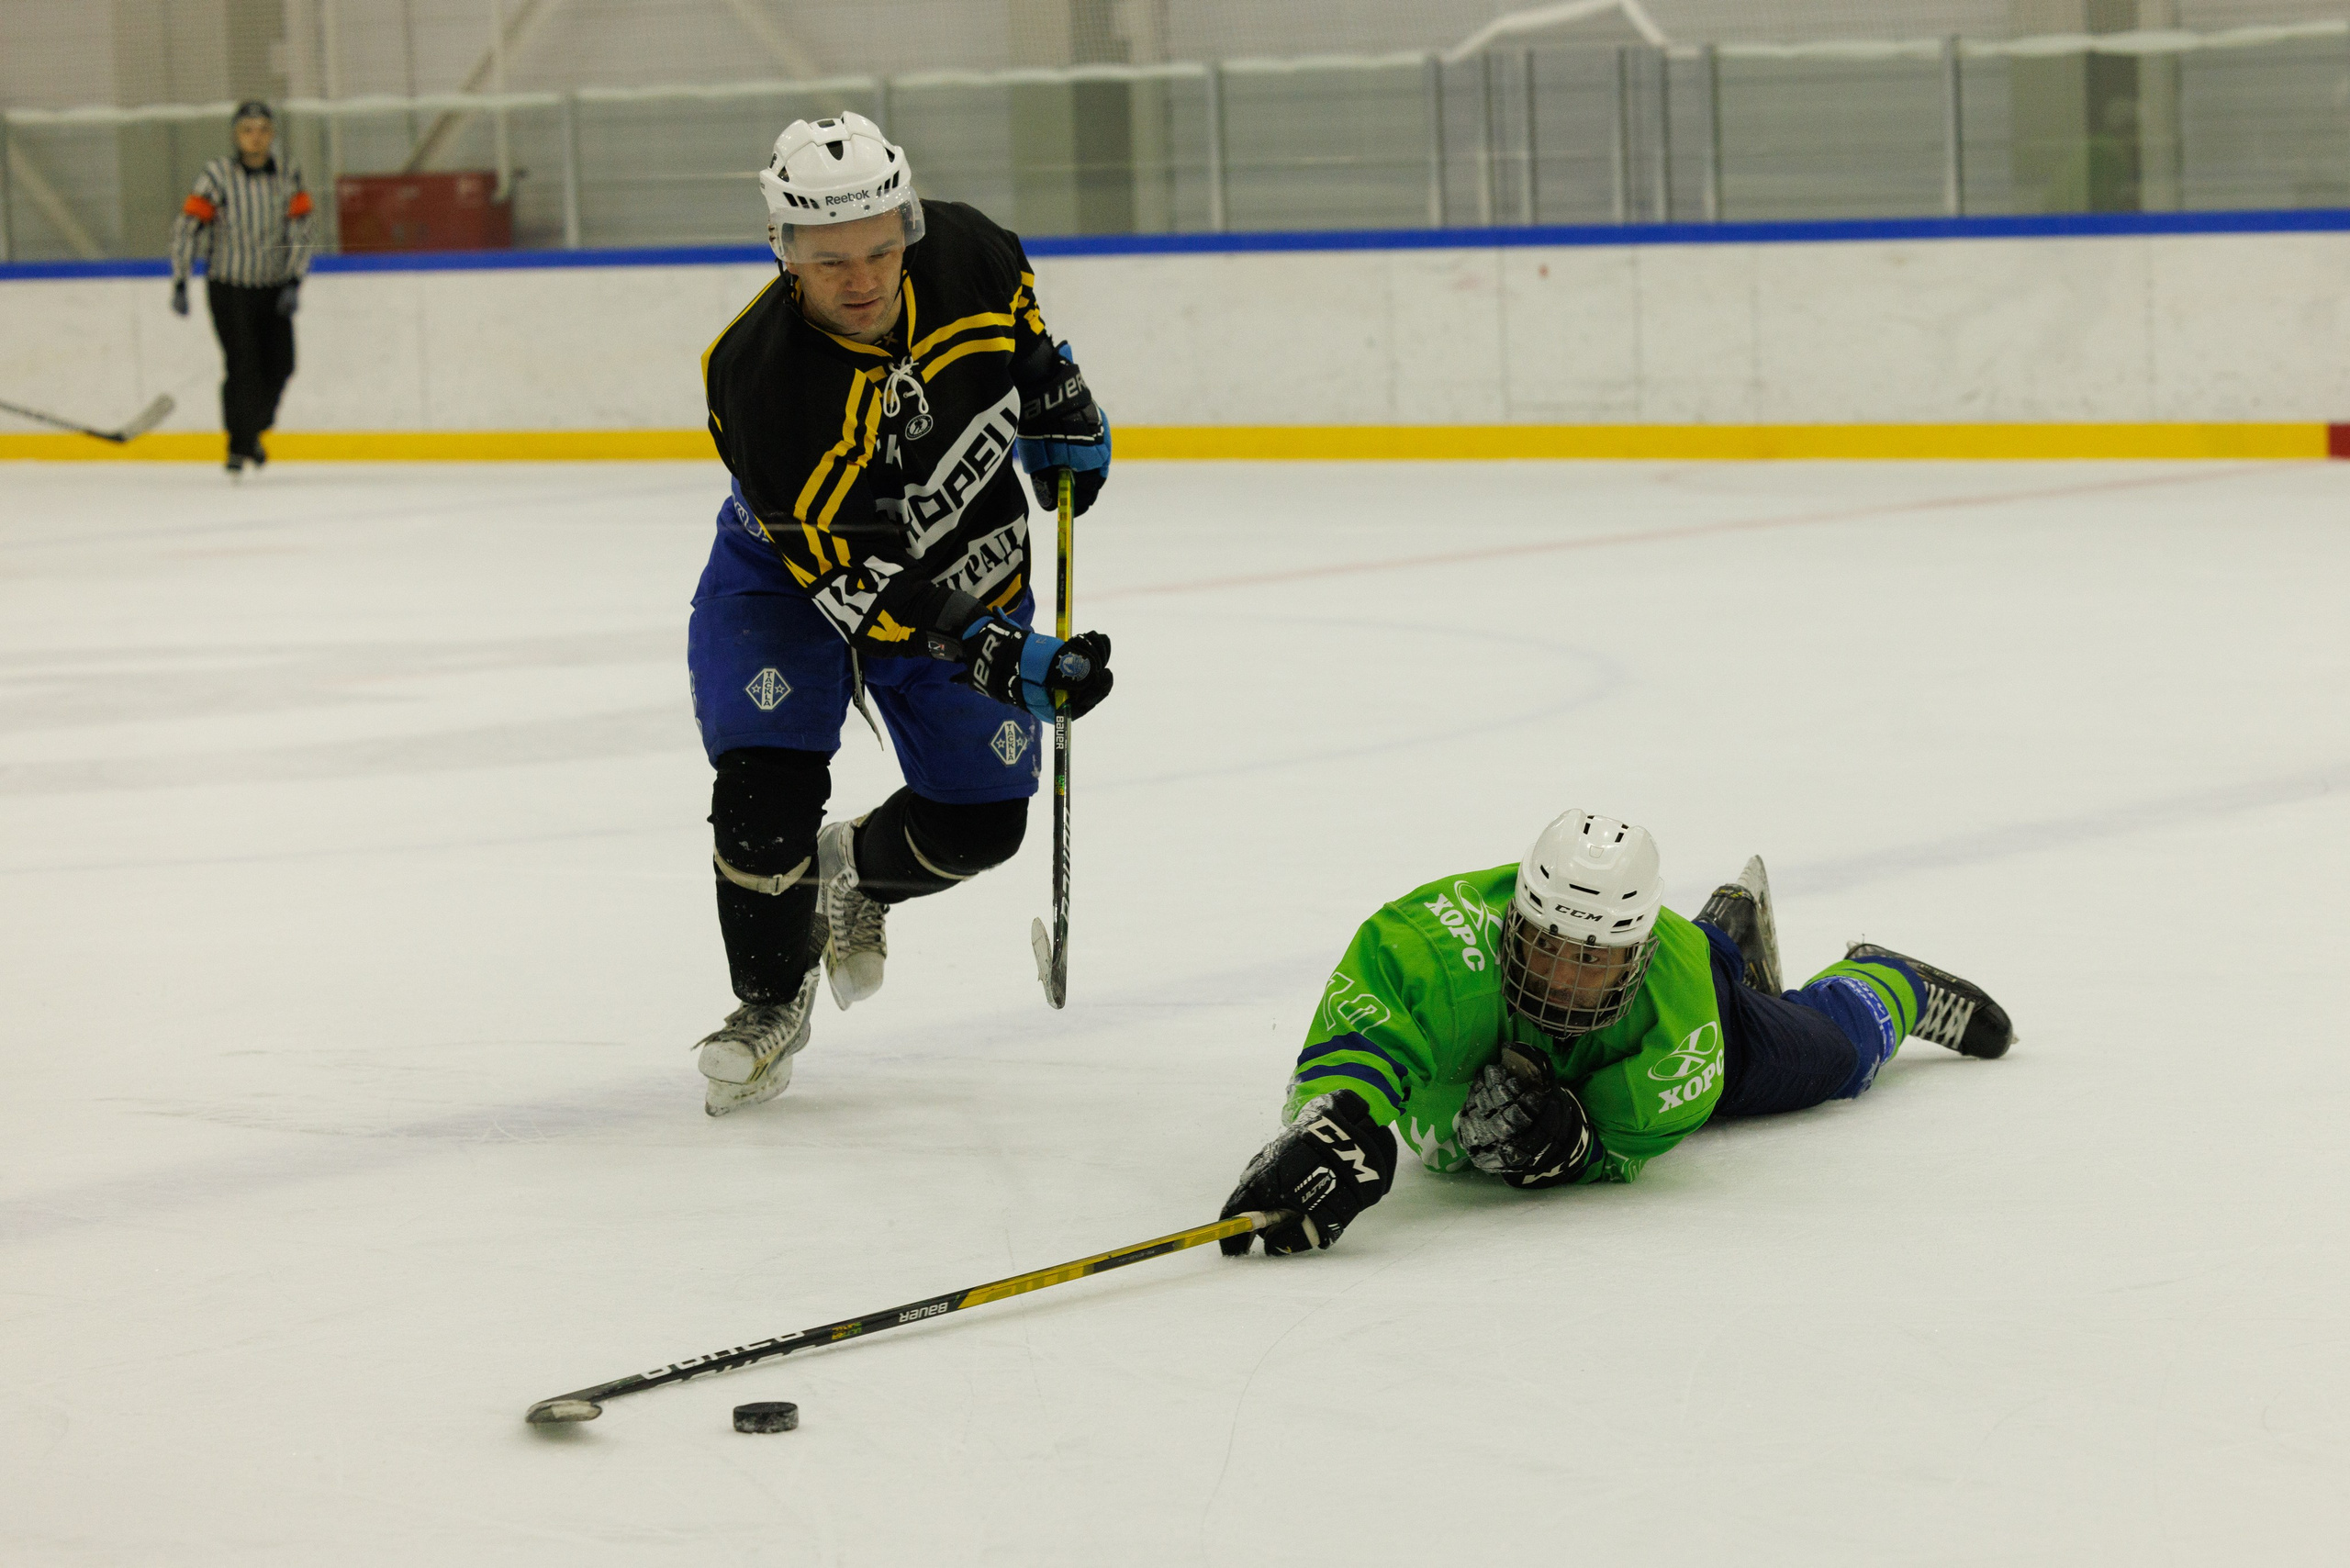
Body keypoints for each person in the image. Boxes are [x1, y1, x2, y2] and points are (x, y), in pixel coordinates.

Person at [688, 112, 1114, 1116]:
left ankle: (854, 880)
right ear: (783, 250)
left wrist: (1060, 405)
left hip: (968, 542)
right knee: (762, 786)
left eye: (882, 246)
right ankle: (768, 997)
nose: (862, 277)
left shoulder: (971, 250)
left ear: (909, 221)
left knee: (981, 826)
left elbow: (1026, 343)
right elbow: (863, 588)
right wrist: (997, 649)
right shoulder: (759, 381)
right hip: (796, 573)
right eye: (829, 258)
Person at [1219, 810, 2016, 1253]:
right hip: (1667, 967)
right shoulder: (1439, 939)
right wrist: (1338, 1123)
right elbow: (1364, 1033)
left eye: (1594, 962)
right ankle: (1729, 925)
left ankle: (1890, 980)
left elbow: (1633, 1140)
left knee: (1834, 1055)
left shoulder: (1678, 1020)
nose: (1565, 979)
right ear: (1515, 924)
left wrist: (1572, 1147)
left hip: (1707, 989)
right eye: (1549, 949)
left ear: (1636, 955)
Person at [169, 100, 312, 474]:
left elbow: (301, 229)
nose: (256, 137)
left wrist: (294, 279)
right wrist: (181, 279)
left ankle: (251, 433)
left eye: (263, 130)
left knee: (282, 365)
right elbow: (188, 226)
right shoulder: (216, 175)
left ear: (273, 134)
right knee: (243, 366)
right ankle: (239, 445)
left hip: (272, 286)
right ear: (236, 135)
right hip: (229, 287)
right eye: (248, 130)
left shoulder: (288, 173)